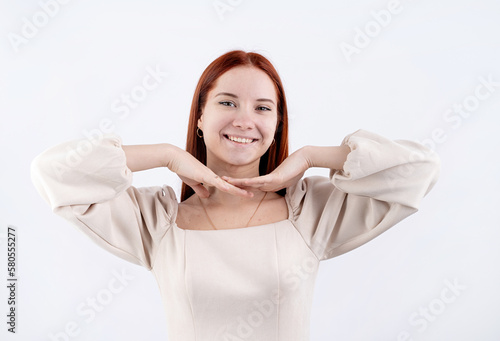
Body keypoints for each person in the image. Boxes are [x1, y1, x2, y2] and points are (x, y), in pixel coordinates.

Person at [31, 50, 441, 340]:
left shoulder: (311, 211)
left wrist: (311, 156)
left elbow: (418, 171)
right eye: (228, 102)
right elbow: (52, 172)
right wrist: (167, 156)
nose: (245, 119)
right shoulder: (155, 220)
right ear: (200, 118)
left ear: (278, 125)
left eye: (263, 108)